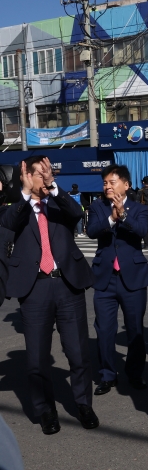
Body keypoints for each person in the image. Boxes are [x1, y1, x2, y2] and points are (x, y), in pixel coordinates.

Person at [1, 156, 97, 434]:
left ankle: (83, 404)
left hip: (67, 284)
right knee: (37, 358)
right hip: (35, 288)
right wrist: (26, 194)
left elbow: (77, 215)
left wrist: (53, 185)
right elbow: (7, 223)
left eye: (48, 173)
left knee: (78, 353)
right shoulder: (15, 207)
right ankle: (45, 410)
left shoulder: (58, 201)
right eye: (39, 174)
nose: (44, 178)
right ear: (26, 176)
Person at [87, 165, 148, 396]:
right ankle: (107, 375)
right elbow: (92, 231)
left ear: (126, 184)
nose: (107, 186)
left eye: (112, 182)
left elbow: (142, 231)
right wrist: (112, 219)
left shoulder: (139, 208)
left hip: (133, 278)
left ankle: (135, 374)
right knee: (104, 329)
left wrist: (123, 215)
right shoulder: (97, 207)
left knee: (135, 328)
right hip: (105, 278)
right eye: (105, 182)